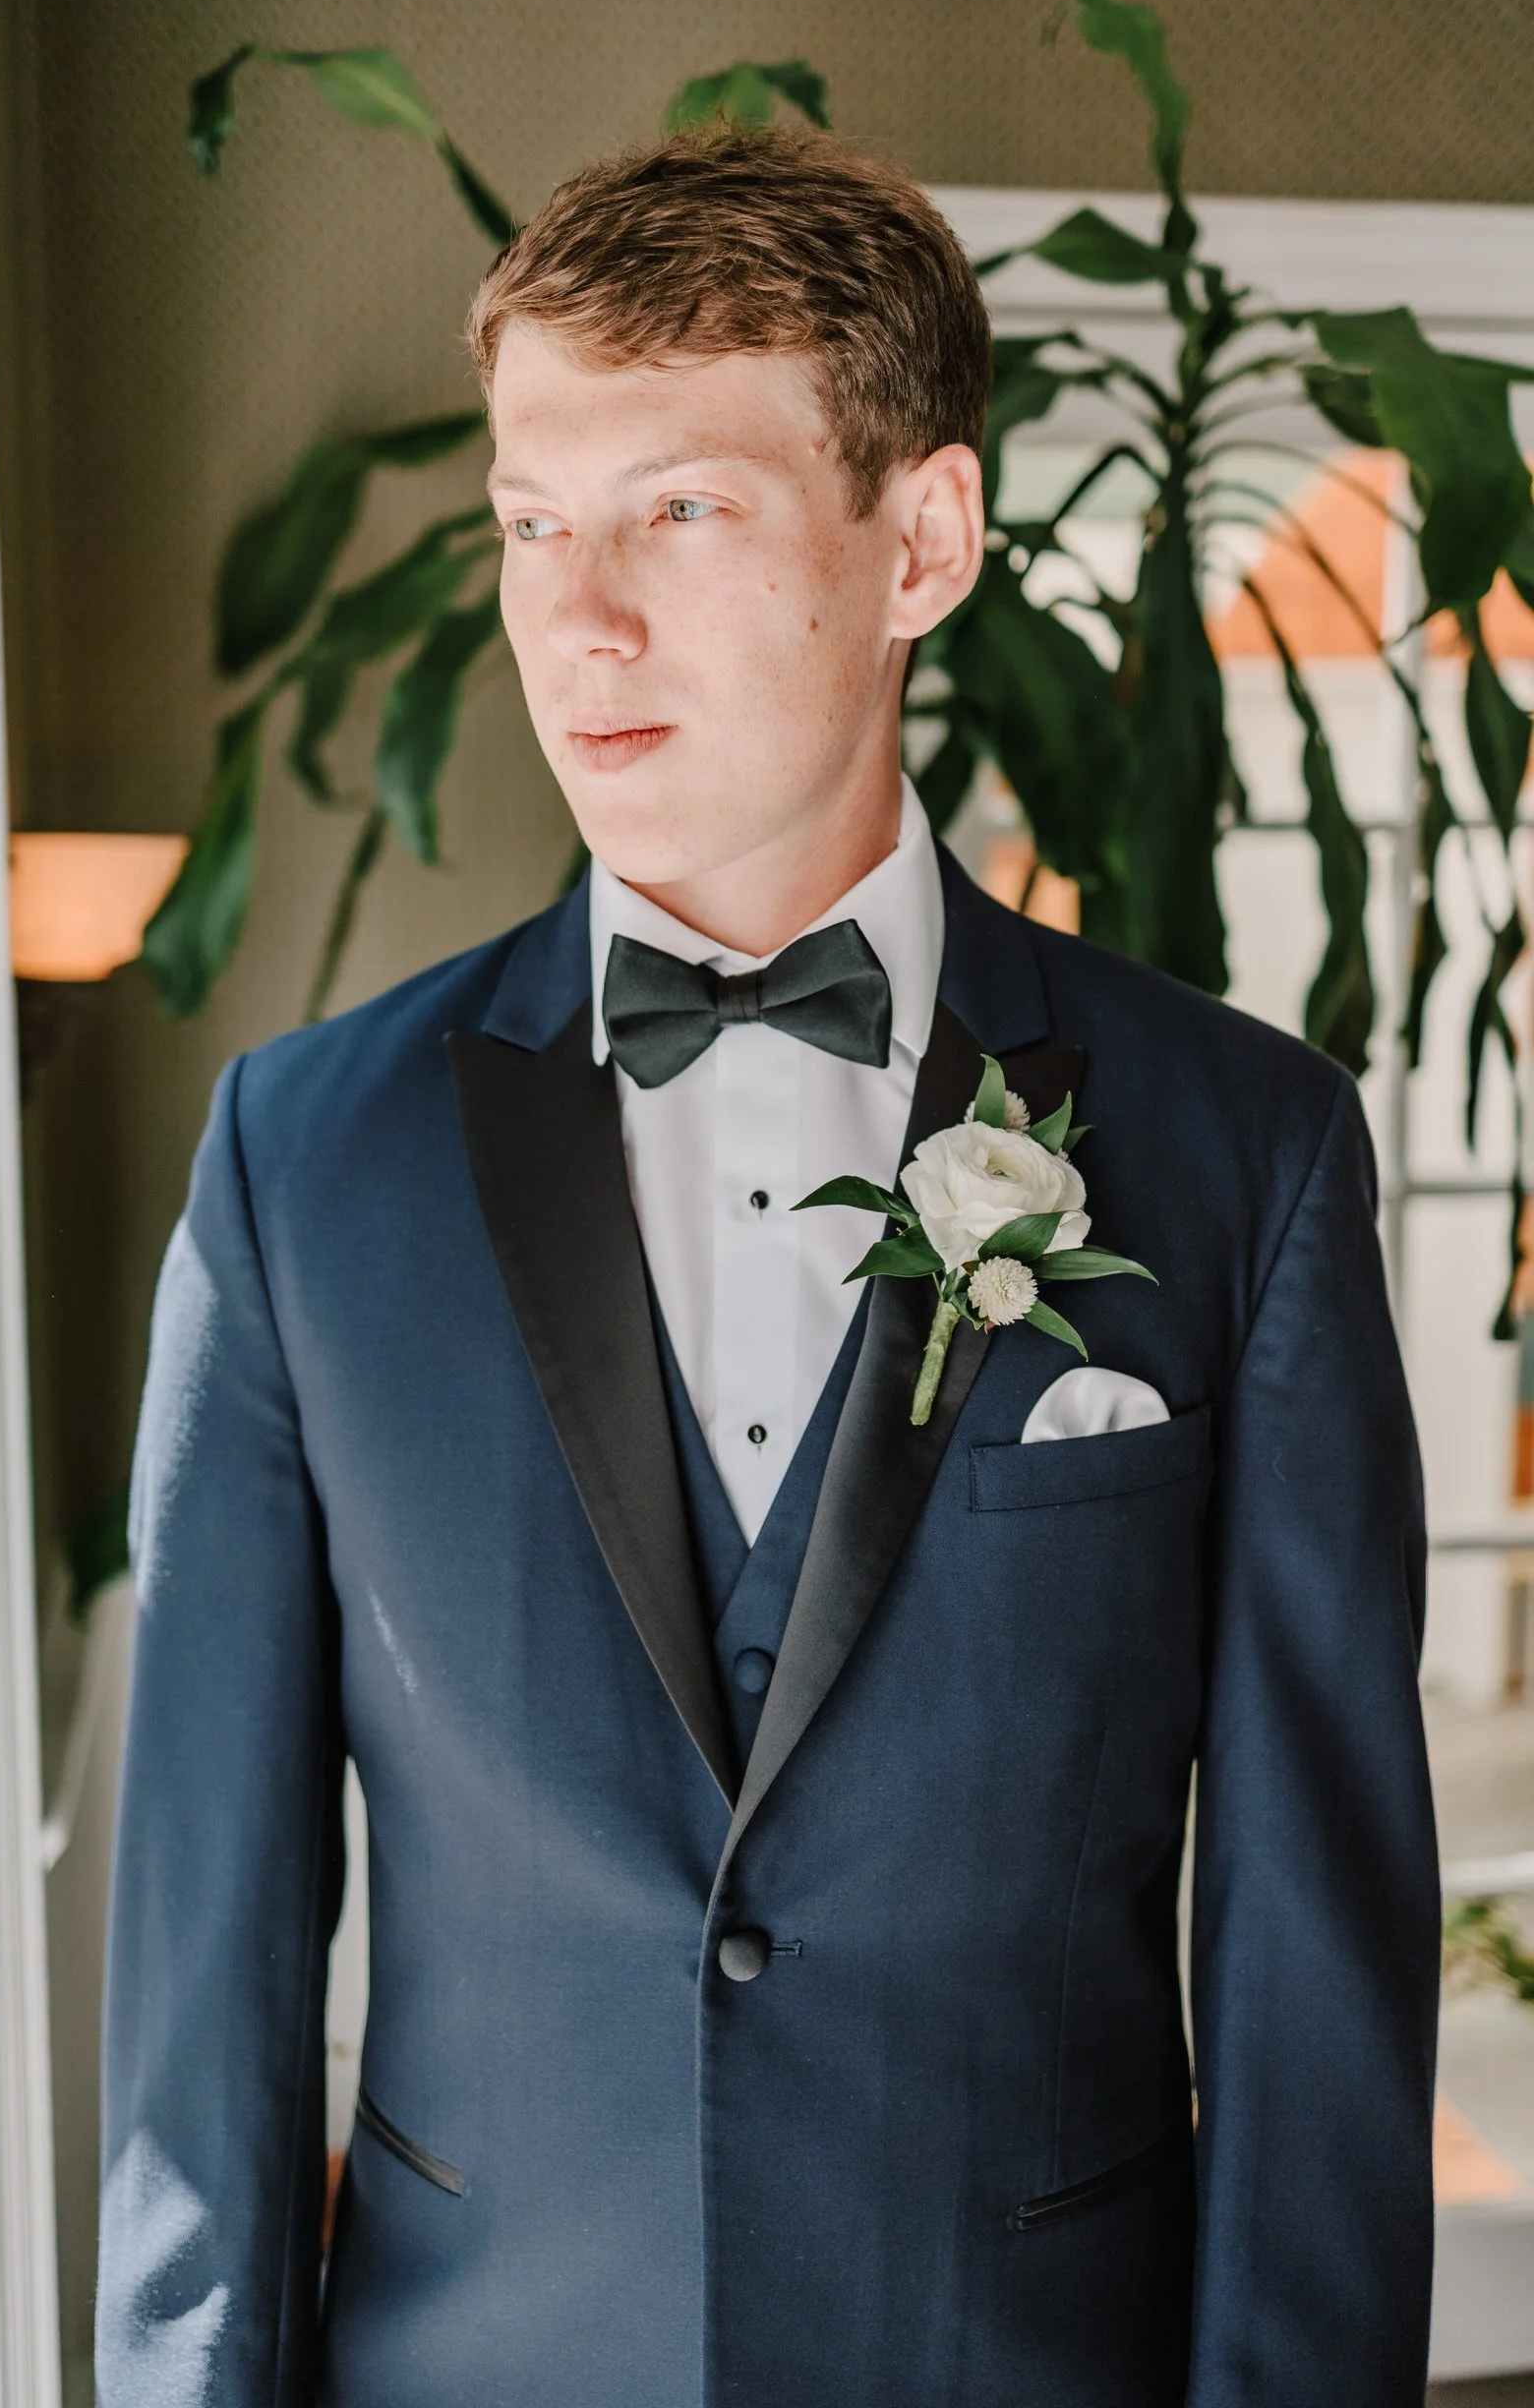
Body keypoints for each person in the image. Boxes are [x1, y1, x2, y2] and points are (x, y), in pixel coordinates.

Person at [95, 122, 1438, 2407]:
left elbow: (1319, 1969)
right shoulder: (297, 1168)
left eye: (680, 512)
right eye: (533, 522)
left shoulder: (1245, 1156)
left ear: (919, 539)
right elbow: (199, 2004)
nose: (577, 617)